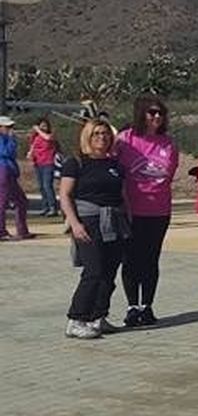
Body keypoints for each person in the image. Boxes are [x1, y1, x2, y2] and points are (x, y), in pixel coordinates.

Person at [60, 119, 129, 339]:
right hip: (89, 220)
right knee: (94, 270)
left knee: (109, 271)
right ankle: (76, 318)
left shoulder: (115, 165)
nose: (102, 137)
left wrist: (128, 218)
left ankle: (98, 316)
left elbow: (123, 194)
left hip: (115, 220)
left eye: (106, 133)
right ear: (88, 137)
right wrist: (74, 223)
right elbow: (65, 195)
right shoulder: (76, 162)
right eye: (97, 133)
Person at [0, 116, 33, 240]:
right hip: (2, 170)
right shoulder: (4, 139)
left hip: (10, 172)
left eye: (11, 127)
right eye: (7, 127)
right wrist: (10, 139)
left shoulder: (7, 138)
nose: (10, 129)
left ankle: (22, 230)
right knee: (2, 202)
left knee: (21, 201)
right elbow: (6, 152)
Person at [28, 116, 61, 217]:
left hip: (48, 163)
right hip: (39, 163)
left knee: (47, 186)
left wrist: (38, 130)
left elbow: (48, 138)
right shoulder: (36, 137)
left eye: (45, 125)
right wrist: (31, 154)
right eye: (41, 125)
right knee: (41, 187)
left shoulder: (50, 136)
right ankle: (45, 207)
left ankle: (53, 207)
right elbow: (32, 147)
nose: (43, 127)